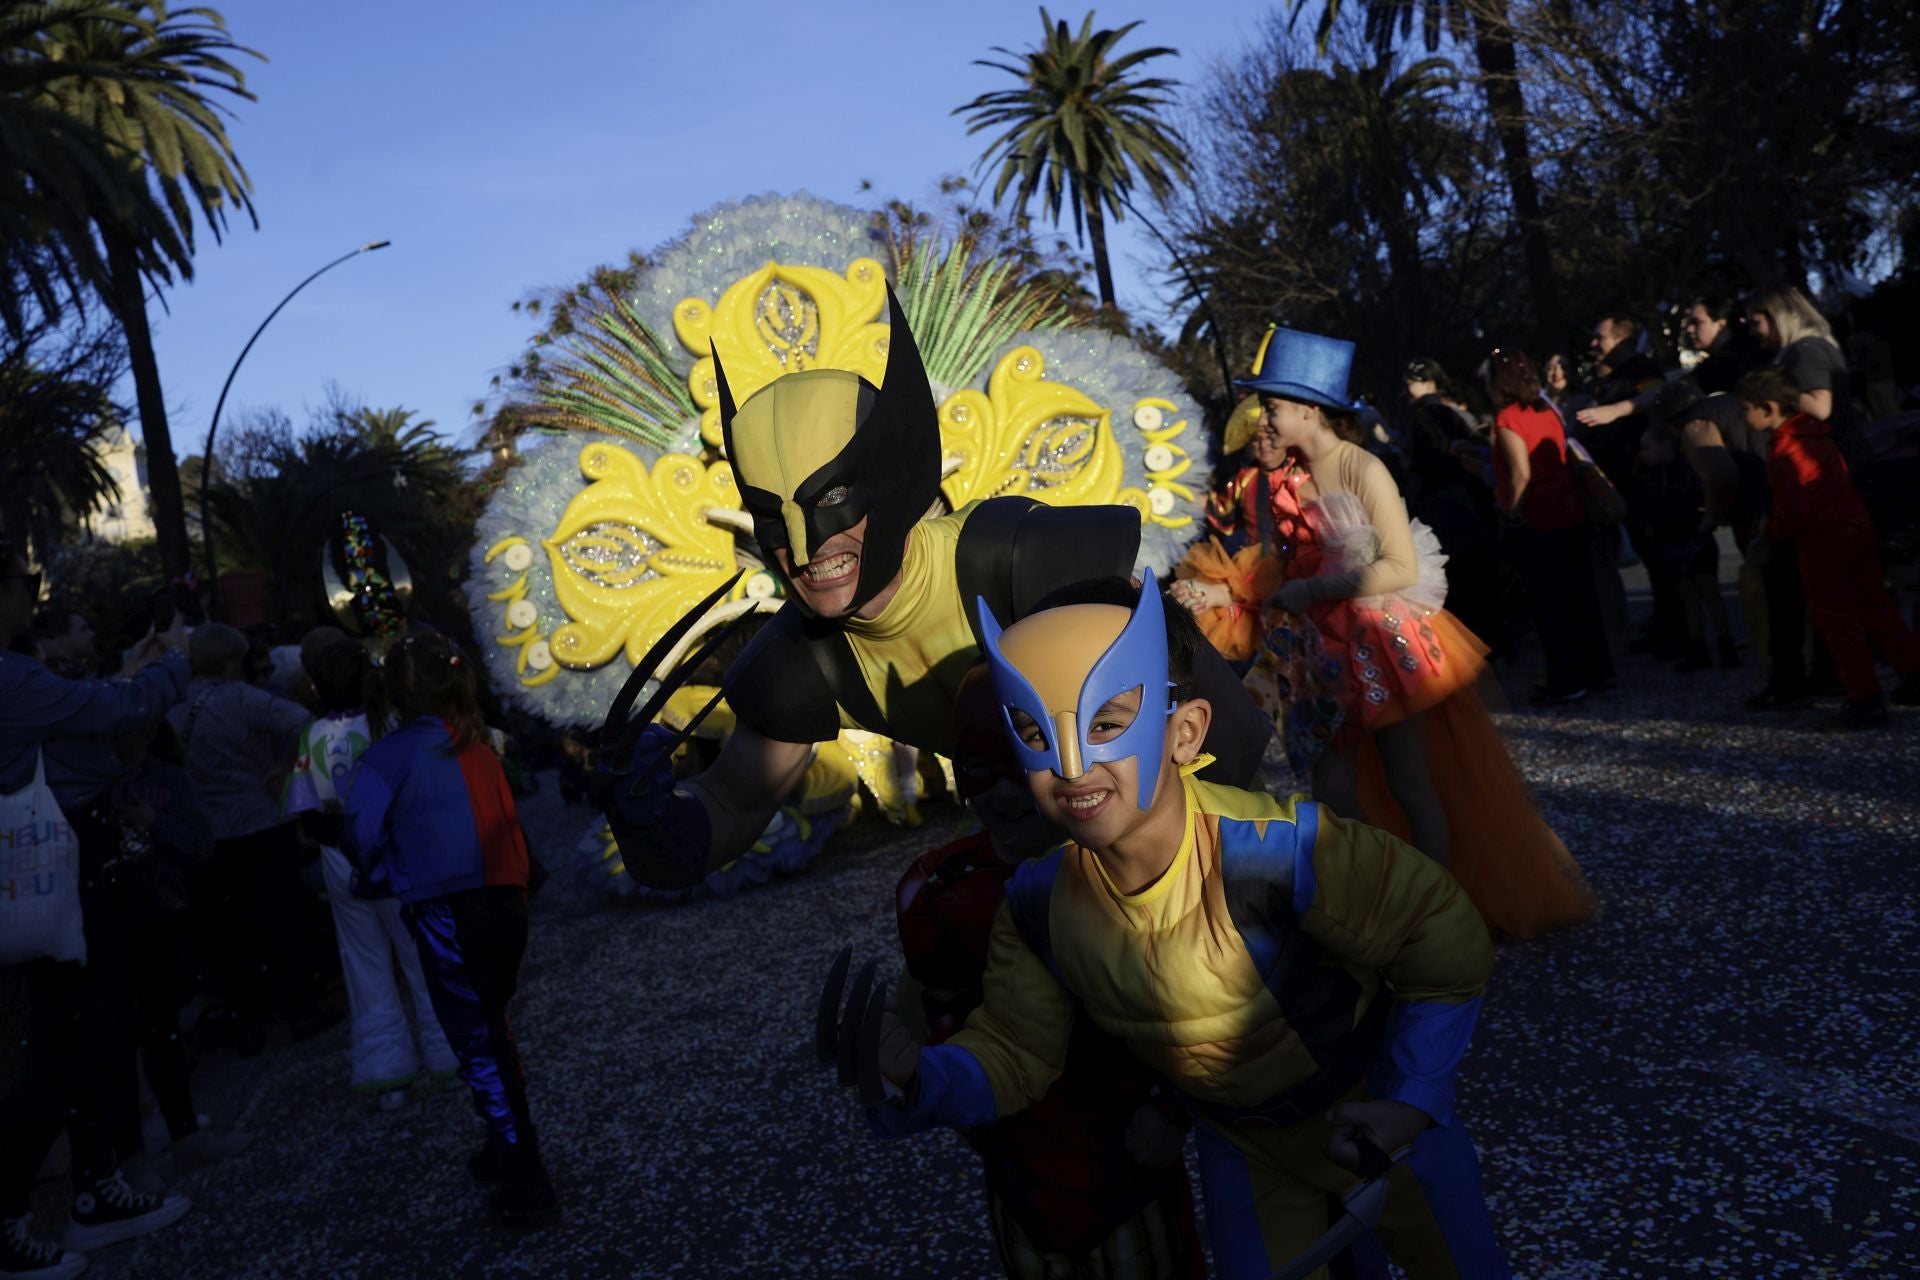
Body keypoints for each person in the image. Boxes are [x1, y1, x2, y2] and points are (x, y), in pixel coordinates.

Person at [847, 576, 1510, 1279]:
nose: (1071, 767)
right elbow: (1016, 1052)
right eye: (1038, 733)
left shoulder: (1277, 853)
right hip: (1246, 1153)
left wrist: (1410, 1100)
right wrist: (914, 1076)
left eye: (1106, 724)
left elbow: (1442, 941)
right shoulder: (1040, 903)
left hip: (1376, 1121)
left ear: (1184, 732)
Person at [600, 288, 1270, 892]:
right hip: (1039, 883)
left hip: (1186, 859)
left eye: (831, 498)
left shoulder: (1019, 561)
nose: (805, 549)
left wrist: (1188, 901)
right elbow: (730, 808)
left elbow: (1229, 734)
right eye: (775, 515)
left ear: (891, 482)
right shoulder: (804, 659)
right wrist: (646, 819)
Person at [891, 664, 1204, 1278]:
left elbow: (1198, 997)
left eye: (1015, 764)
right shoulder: (936, 890)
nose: (1004, 794)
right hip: (1020, 1159)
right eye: (979, 769)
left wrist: (1171, 1109)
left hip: (1129, 1146)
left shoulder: (1130, 859)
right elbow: (949, 1023)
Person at [0, 540, 194, 1276]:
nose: (33, 595)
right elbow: (119, 711)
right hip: (60, 867)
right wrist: (172, 660)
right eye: (26, 582)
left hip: (53, 866)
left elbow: (89, 721)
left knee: (80, 1033)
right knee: (72, 1038)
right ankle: (28, 1209)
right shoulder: (10, 679)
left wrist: (131, 674)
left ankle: (94, 1189)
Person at [343, 633, 557, 1226]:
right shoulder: (480, 744)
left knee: (481, 1044)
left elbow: (360, 832)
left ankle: (525, 1174)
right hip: (505, 903)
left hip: (448, 912)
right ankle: (504, 1140)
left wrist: (381, 872)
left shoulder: (388, 757)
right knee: (495, 1029)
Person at [285, 639, 458, 1109]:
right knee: (423, 956)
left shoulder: (312, 736)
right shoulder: (392, 727)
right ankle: (449, 1057)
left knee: (364, 966)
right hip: (398, 855)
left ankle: (388, 1077)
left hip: (343, 863)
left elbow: (306, 814)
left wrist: (347, 841)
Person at [168, 623, 332, 1048]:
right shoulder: (242, 699)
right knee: (282, 917)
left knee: (232, 930)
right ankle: (302, 1009)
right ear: (228, 660)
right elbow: (306, 723)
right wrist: (288, 767)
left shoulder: (173, 707)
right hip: (261, 821)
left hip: (210, 832)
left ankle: (249, 1021)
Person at [105, 717, 254, 1179]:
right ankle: (155, 1126)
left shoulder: (167, 780)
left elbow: (199, 845)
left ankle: (176, 1126)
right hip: (114, 916)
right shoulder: (90, 785)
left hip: (156, 911)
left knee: (158, 1026)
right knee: (130, 1032)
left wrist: (155, 825)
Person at [1735, 367, 1920, 729]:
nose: (1743, 417)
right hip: (1856, 526)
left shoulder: (1784, 449)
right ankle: (1913, 674)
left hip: (1824, 538)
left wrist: (1768, 536)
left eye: (1745, 409)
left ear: (1768, 407)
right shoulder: (1817, 434)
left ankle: (1864, 697)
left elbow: (1794, 509)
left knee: (1836, 618)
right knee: (1876, 606)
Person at [1488, 349, 1617, 703]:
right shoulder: (1548, 411)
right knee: (1581, 595)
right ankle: (1598, 671)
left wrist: (1510, 513)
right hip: (1571, 509)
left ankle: (1567, 680)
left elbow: (1520, 474)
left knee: (1550, 603)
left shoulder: (1508, 418)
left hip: (1539, 517)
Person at [1633, 421, 1736, 673]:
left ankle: (1722, 646)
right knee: (1692, 596)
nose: (1642, 454)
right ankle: (1702, 647)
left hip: (1690, 536)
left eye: (1647, 448)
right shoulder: (1654, 474)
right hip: (1676, 538)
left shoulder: (1685, 470)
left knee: (1707, 593)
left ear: (1666, 446)